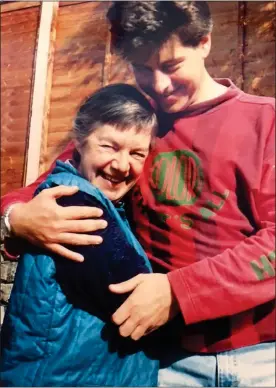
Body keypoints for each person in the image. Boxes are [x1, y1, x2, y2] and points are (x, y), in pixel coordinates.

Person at [1, 2, 275, 387]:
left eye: (172, 65)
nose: (159, 85)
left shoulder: (266, 120)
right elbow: (39, 190)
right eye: (143, 69)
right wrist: (17, 219)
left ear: (205, 43)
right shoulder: (131, 126)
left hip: (264, 357)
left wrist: (179, 292)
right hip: (166, 363)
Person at [0, 83, 160, 387]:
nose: (122, 165)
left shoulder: (101, 198)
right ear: (79, 141)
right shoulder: (79, 204)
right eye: (109, 147)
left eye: (137, 153)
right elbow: (135, 303)